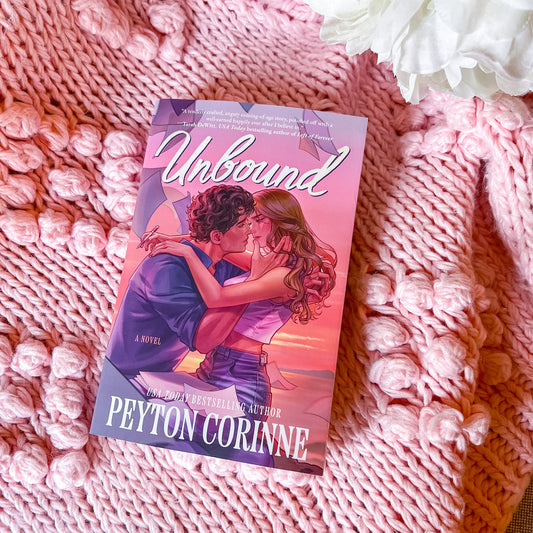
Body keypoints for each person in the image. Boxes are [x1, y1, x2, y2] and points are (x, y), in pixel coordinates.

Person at [145, 189, 336, 426]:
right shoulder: (270, 264)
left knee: (166, 419)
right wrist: (173, 239)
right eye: (248, 221)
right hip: (214, 366)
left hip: (240, 378)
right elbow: (220, 247)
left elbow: (217, 298)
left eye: (259, 219)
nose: (251, 228)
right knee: (150, 406)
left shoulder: (283, 276)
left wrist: (188, 255)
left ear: (281, 221)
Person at [106, 184, 257, 378]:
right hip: (126, 379)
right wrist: (251, 287)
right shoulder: (166, 268)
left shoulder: (222, 263)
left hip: (160, 378)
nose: (249, 231)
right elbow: (203, 341)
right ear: (217, 236)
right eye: (242, 225)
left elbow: (277, 265)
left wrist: (181, 241)